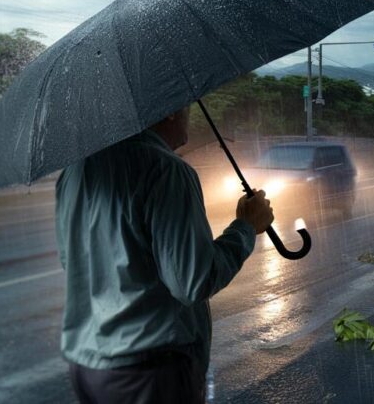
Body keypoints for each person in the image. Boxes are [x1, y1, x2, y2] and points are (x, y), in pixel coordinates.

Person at [55, 106, 274, 404]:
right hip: (149, 373)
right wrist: (246, 227)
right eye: (185, 107)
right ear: (169, 112)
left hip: (88, 369)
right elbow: (193, 282)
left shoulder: (75, 172)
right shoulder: (167, 170)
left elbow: (73, 263)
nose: (189, 116)